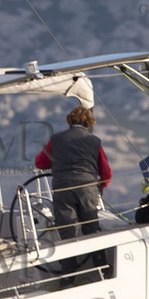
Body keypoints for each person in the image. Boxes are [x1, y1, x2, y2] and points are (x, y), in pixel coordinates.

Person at [33, 104, 112, 248]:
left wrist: (59, 161)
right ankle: (101, 266)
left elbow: (40, 163)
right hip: (87, 190)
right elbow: (106, 173)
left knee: (67, 233)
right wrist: (100, 187)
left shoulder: (56, 140)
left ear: (70, 121)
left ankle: (70, 267)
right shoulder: (94, 142)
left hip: (63, 189)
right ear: (89, 123)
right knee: (92, 231)